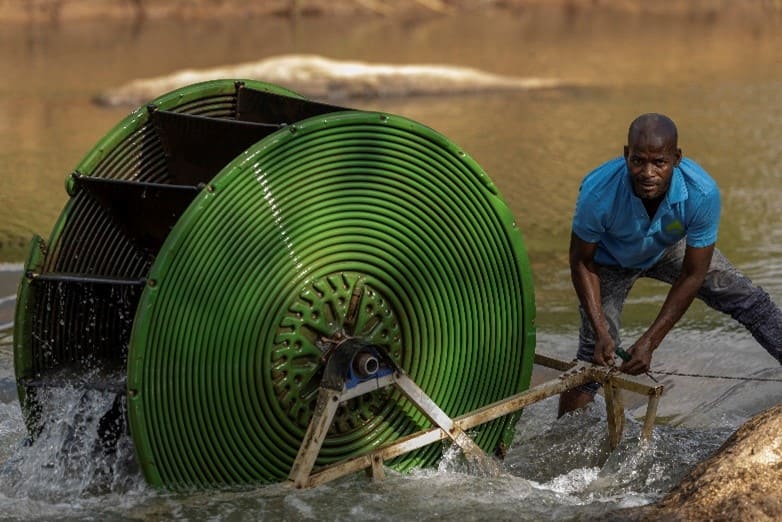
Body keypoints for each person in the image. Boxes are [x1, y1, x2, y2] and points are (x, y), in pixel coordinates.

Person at [558, 113, 782, 416]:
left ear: (676, 158)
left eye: (659, 163)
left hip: (666, 247)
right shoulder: (599, 193)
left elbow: (694, 273)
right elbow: (582, 261)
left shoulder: (701, 192)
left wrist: (651, 341)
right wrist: (600, 329)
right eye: (638, 161)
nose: (647, 173)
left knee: (749, 299)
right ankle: (562, 441)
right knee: (593, 355)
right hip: (608, 260)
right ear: (626, 155)